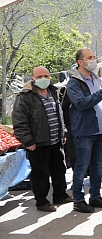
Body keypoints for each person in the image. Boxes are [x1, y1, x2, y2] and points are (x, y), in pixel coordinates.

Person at [12, 67, 72, 212]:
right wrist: (28, 141)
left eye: (46, 75)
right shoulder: (25, 97)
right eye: (39, 76)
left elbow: (59, 114)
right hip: (38, 143)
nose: (43, 79)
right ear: (32, 78)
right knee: (40, 174)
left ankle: (60, 195)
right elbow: (20, 121)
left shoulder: (53, 92)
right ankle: (42, 202)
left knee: (59, 169)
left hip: (55, 140)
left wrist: (62, 133)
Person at [66, 49, 102, 213]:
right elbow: (81, 103)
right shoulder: (74, 83)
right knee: (81, 167)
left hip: (100, 130)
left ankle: (95, 196)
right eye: (89, 58)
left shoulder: (95, 78)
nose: (94, 60)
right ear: (80, 61)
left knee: (97, 167)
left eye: (94, 57)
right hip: (85, 131)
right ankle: (78, 200)